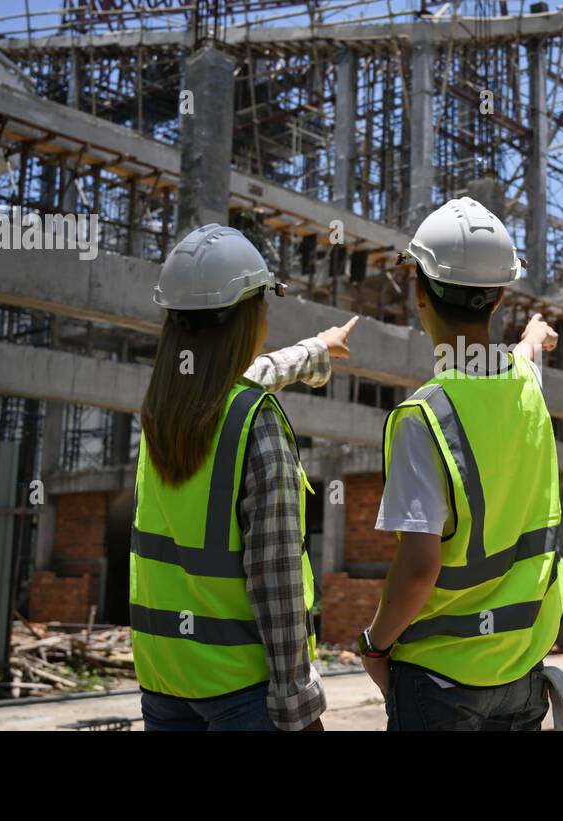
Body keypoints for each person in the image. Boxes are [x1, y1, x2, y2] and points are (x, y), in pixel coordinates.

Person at [131, 223, 355, 731]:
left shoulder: (163, 410)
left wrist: (317, 349)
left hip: (165, 679)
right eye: (264, 302)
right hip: (243, 689)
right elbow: (274, 579)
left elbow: (244, 373)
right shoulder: (255, 422)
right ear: (247, 318)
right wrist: (299, 704)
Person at [358, 197, 563, 731]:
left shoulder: (422, 416)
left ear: (419, 293)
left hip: (440, 680)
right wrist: (534, 334)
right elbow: (524, 358)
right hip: (521, 672)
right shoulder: (527, 390)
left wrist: (374, 644)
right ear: (498, 299)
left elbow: (421, 566)